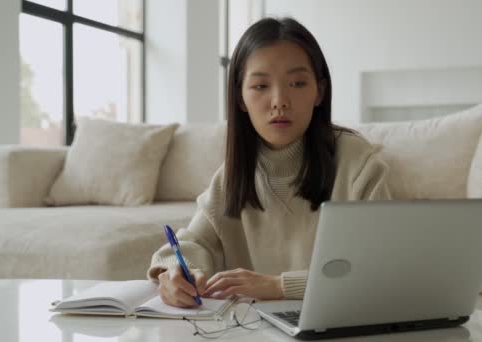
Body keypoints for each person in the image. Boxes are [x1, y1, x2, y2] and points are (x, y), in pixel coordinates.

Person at [148, 17, 391, 308]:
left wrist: (278, 286)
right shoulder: (232, 176)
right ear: (240, 98)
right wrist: (174, 273)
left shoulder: (358, 165)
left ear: (320, 92)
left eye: (297, 83)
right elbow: (190, 245)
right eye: (261, 86)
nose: (279, 100)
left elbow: (380, 269)